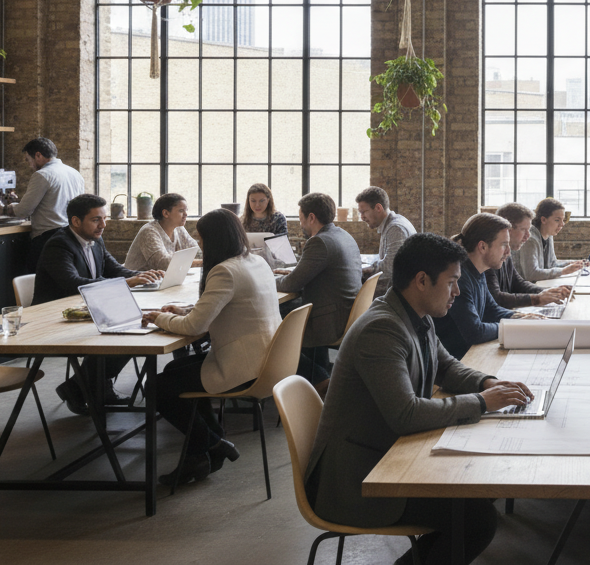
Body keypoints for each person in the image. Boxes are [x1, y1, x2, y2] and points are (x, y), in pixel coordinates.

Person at [305, 233, 533, 565]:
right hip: (358, 481)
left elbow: (446, 367)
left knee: (479, 492)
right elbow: (406, 415)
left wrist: (489, 382)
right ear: (422, 281)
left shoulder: (415, 312)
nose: (457, 290)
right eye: (452, 282)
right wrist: (483, 402)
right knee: (476, 520)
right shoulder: (381, 330)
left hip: (387, 456)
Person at [141, 209, 281, 487]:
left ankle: (211, 444)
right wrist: (186, 309)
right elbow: (227, 305)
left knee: (157, 386)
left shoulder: (224, 271)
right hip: (269, 360)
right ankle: (206, 450)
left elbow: (195, 327)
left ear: (213, 239)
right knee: (175, 369)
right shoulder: (254, 261)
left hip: (245, 367)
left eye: (201, 236)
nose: (197, 240)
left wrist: (160, 317)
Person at [32, 193, 162, 415]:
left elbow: (115, 270)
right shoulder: (59, 244)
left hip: (89, 310)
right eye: (96, 219)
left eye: (104, 218)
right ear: (75, 221)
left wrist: (145, 275)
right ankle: (86, 387)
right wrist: (126, 281)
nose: (103, 225)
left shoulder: (96, 240)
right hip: (56, 317)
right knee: (123, 333)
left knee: (132, 330)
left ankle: (81, 387)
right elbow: (72, 284)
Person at [275, 193, 361, 383]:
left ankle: (319, 379)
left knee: (271, 324)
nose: (301, 225)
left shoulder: (319, 241)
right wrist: (291, 274)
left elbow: (291, 284)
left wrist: (266, 279)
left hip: (329, 321)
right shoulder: (342, 235)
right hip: (346, 313)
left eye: (301, 219)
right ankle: (317, 379)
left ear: (311, 217)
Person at [434, 213, 545, 359]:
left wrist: (519, 317)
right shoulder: (459, 278)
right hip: (456, 364)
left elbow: (491, 309)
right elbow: (475, 332)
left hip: (471, 355)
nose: (508, 252)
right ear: (483, 246)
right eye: (504, 245)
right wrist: (513, 325)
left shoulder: (478, 271)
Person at [9, 137, 86, 273]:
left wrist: (6, 208)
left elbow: (23, 211)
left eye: (28, 160)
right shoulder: (75, 173)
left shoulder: (42, 175)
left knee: (41, 281)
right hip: (72, 235)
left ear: (38, 155)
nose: (29, 165)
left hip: (47, 238)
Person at [487, 203, 570, 310]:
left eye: (529, 230)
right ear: (507, 230)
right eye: (523, 230)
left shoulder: (506, 252)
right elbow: (497, 298)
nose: (528, 235)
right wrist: (536, 299)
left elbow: (517, 282)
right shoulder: (490, 255)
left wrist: (547, 291)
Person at [355, 185, 416, 293]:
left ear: (378, 208)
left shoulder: (396, 228)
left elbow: (389, 268)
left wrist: (362, 270)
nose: (362, 217)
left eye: (364, 212)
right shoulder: (392, 224)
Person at [515, 197, 586, 282]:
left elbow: (552, 264)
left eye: (563, 220)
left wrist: (572, 264)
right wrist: (563, 271)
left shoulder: (549, 235)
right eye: (557, 220)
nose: (562, 224)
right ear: (543, 220)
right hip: (523, 290)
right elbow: (531, 274)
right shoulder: (530, 239)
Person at [124, 192, 199, 271]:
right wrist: (200, 262)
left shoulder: (178, 228)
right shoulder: (149, 231)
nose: (186, 214)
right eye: (181, 211)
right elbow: (162, 264)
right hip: (137, 280)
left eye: (186, 210)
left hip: (160, 279)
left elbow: (196, 251)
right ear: (166, 213)